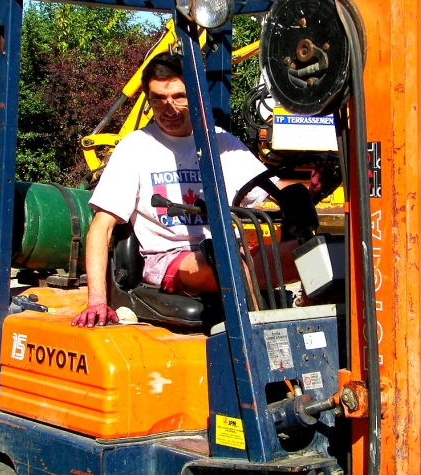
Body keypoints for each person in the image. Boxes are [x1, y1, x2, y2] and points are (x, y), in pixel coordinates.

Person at [72, 53, 315, 328]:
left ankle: (311, 327)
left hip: (228, 250)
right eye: (158, 99)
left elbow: (276, 190)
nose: (169, 109)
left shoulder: (221, 142)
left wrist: (309, 190)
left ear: (197, 96)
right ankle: (259, 348)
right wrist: (97, 301)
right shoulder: (135, 148)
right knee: (232, 264)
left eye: (179, 96)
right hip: (171, 259)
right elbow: (100, 228)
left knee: (318, 253)